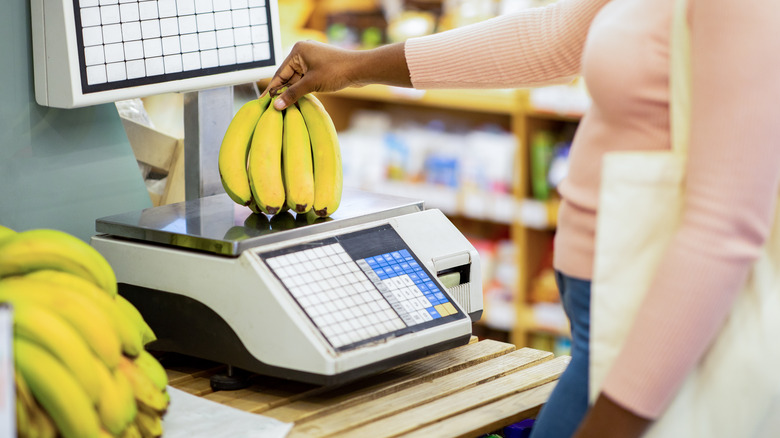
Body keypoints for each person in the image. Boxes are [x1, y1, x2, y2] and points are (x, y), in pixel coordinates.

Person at [262, 0, 780, 436]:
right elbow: (555, 38)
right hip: (601, 326)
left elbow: (724, 227)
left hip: (649, 333)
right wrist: (356, 66)